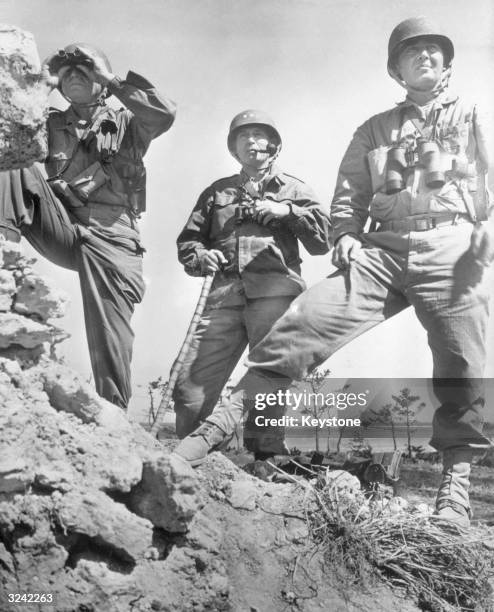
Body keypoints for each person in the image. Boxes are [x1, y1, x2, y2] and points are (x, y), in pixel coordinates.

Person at [175, 18, 493, 528]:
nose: (425, 57)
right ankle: (213, 430)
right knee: (301, 325)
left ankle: (454, 488)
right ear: (396, 70)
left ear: (448, 63)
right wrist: (345, 232)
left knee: (464, 363)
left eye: (434, 50)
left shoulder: (479, 113)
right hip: (383, 248)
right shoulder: (373, 129)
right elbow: (349, 195)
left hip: (453, 245)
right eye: (413, 53)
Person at [0, 43, 176, 409]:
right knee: (13, 162)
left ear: (101, 79)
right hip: (62, 225)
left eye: (86, 70)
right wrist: (42, 81)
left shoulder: (127, 123)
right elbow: (9, 126)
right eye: (68, 73)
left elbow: (164, 114)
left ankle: (113, 416)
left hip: (113, 237)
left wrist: (109, 76)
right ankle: (3, 261)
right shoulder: (47, 122)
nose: (75, 75)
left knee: (110, 334)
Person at [173, 109, 331, 451]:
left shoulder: (294, 188)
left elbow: (323, 241)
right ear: (234, 149)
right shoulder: (217, 192)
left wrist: (289, 212)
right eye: (243, 137)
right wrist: (202, 257)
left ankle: (265, 461)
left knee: (270, 386)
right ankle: (193, 459)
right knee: (189, 388)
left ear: (273, 145)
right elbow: (188, 242)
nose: (251, 142)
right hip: (224, 297)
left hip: (275, 296)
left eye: (259, 135)